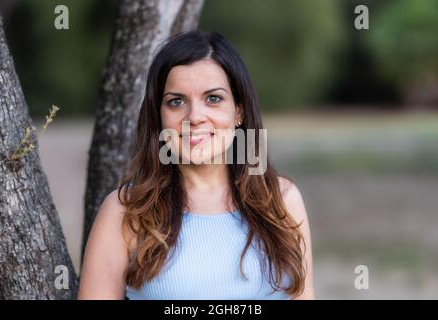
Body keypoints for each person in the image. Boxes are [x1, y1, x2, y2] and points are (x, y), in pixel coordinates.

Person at [78, 31, 314, 300]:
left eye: (213, 99)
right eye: (176, 102)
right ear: (159, 117)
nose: (195, 117)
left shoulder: (282, 201)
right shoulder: (125, 211)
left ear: (238, 111)